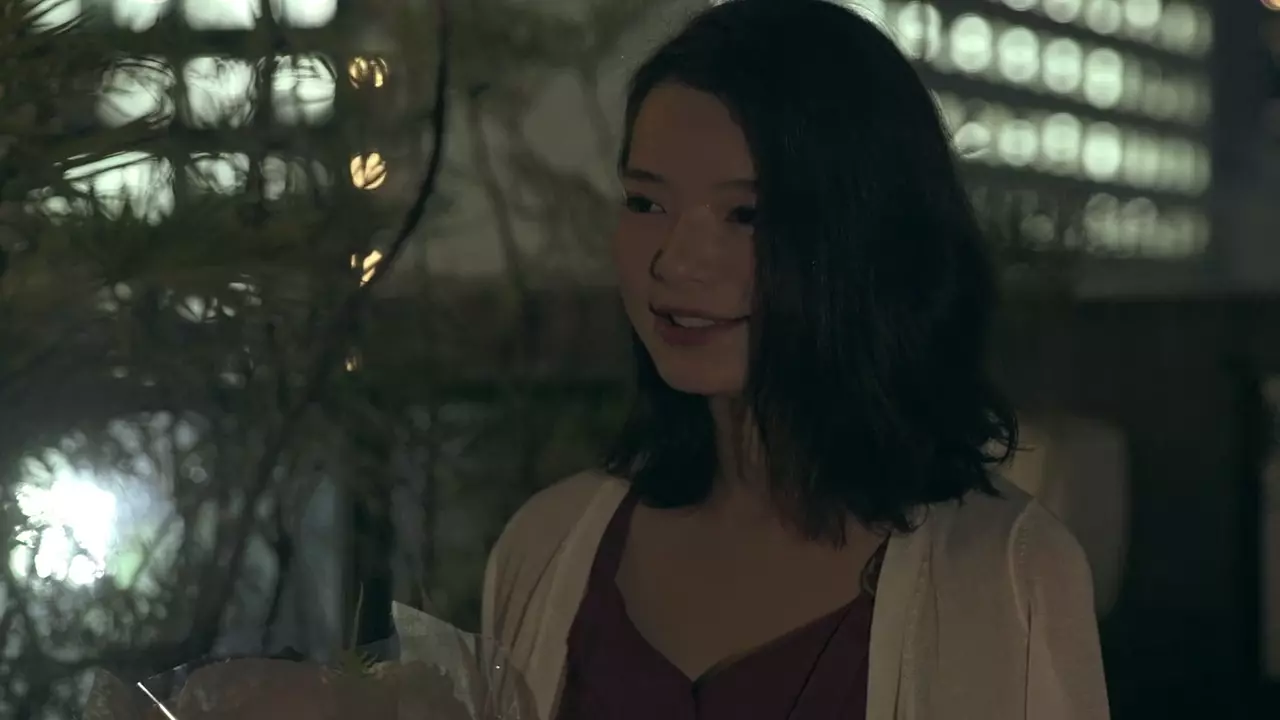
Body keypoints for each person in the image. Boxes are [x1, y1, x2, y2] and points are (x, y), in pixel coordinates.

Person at [482, 1, 1110, 718]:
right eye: (646, 202)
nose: (675, 261)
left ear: (867, 239)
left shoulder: (1006, 574)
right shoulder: (548, 548)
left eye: (745, 215)